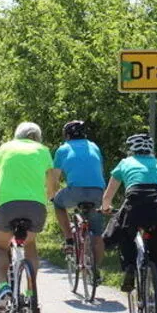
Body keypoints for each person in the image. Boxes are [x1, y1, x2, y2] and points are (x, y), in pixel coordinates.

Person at [0, 122, 55, 312]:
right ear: (38, 137)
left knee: (1, 247)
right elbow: (52, 184)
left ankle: (2, 287)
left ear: (17, 135)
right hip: (36, 206)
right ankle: (31, 293)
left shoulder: (6, 148)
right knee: (31, 245)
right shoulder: (44, 151)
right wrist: (46, 199)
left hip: (7, 206)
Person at [100, 133, 157, 313]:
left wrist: (106, 208)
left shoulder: (125, 163)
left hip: (134, 205)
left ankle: (129, 267)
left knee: (123, 230)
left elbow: (108, 196)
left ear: (131, 149)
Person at [50, 120, 106, 285]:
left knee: (59, 204)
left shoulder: (63, 149)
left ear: (67, 135)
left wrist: (53, 194)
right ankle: (95, 268)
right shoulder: (94, 146)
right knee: (97, 234)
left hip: (75, 191)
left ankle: (68, 238)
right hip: (98, 192)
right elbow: (99, 169)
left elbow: (54, 177)